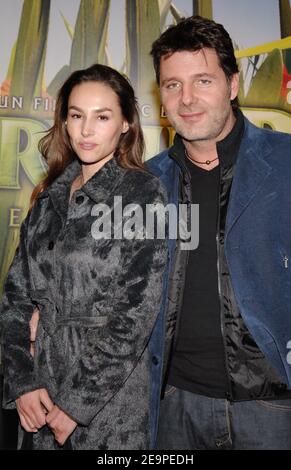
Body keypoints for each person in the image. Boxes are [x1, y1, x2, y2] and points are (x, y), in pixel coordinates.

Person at [0, 64, 168, 450]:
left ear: (126, 123)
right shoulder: (48, 196)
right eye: (76, 115)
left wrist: (76, 404)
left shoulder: (142, 193)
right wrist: (23, 383)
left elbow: (135, 315)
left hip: (111, 411)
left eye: (102, 116)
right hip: (38, 400)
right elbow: (14, 301)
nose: (86, 130)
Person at [148, 15, 291, 450]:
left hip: (273, 410)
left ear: (232, 86)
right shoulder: (146, 183)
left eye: (203, 81)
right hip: (174, 409)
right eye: (172, 85)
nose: (187, 99)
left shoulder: (286, 164)